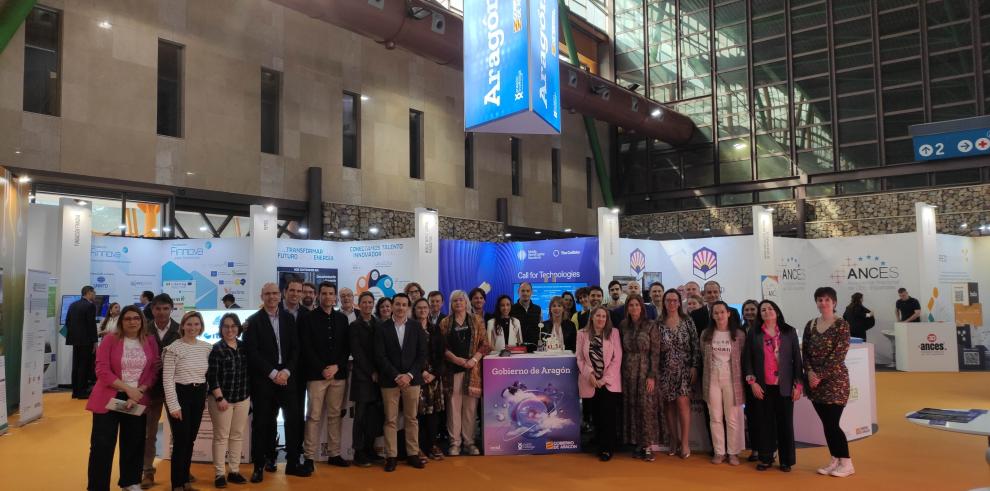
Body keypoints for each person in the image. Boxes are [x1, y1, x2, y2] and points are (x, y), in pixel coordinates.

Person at [86, 305, 160, 491]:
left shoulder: (150, 340)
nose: (132, 322)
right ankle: (97, 486)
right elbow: (102, 370)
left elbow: (153, 371)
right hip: (110, 396)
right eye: (128, 319)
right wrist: (128, 389)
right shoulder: (110, 339)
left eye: (136, 318)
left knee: (134, 441)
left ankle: (130, 481)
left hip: (137, 397)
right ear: (121, 322)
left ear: (142, 320)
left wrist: (139, 391)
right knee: (102, 445)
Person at [244, 282, 308, 482]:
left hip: (288, 378)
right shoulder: (253, 321)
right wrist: (273, 373)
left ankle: (292, 464)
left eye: (274, 293)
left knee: (293, 421)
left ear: (280, 296)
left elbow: (296, 349)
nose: (272, 297)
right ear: (262, 296)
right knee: (263, 424)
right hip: (264, 380)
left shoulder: (289, 319)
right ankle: (260, 465)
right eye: (268, 294)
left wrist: (287, 371)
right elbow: (252, 353)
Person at [743, 300, 803, 472]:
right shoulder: (753, 333)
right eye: (763, 310)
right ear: (760, 314)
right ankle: (766, 457)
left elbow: (797, 362)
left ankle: (786, 460)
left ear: (777, 311)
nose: (767, 311)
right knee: (764, 423)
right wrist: (752, 383)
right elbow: (747, 361)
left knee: (785, 424)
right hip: (762, 387)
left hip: (784, 386)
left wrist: (798, 385)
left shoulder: (788, 332)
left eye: (770, 308)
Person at [300, 281, 351, 472]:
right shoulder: (308, 318)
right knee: (313, 416)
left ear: (335, 296)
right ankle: (309, 457)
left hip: (338, 375)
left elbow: (346, 347)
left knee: (334, 416)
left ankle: (334, 454)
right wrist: (322, 368)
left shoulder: (342, 319)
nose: (328, 297)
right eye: (324, 293)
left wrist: (336, 366)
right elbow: (307, 347)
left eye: (331, 293)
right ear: (318, 296)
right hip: (316, 375)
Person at [374, 293, 428, 472]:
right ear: (392, 306)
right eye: (397, 304)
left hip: (412, 381)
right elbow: (380, 356)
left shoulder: (416, 326)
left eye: (404, 305)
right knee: (390, 420)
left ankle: (413, 454)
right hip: (390, 381)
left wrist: (409, 375)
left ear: (408, 307)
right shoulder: (382, 328)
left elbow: (422, 355)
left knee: (411, 418)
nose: (400, 308)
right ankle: (391, 456)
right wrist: (397, 375)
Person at [804, 287, 854, 477]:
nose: (823, 303)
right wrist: (809, 373)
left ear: (834, 302)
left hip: (835, 382)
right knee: (826, 423)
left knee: (833, 423)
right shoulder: (810, 324)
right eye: (819, 299)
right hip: (814, 382)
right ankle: (835, 460)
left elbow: (838, 355)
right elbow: (805, 353)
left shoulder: (842, 325)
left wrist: (820, 375)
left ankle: (847, 463)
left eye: (827, 299)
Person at [162, 311, 213, 491]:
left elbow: (207, 375)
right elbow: (167, 379)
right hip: (179, 395)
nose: (193, 328)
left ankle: (185, 480)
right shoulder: (173, 348)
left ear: (201, 327)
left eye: (196, 324)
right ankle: (176, 484)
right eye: (189, 324)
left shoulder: (206, 348)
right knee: (181, 441)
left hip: (198, 395)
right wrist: (173, 405)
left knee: (190, 440)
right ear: (182, 326)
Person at [441, 290, 490, 456]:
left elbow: (485, 344)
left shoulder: (477, 320)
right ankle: (455, 443)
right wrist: (456, 360)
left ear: (466, 302)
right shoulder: (445, 323)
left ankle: (469, 443)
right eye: (455, 301)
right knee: (453, 408)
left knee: (470, 409)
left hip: (472, 371)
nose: (458, 303)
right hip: (452, 371)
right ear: (451, 304)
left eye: (461, 300)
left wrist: (473, 360)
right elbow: (442, 347)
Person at [206, 313, 250, 488]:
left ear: (238, 328)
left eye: (233, 326)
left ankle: (234, 471)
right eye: (226, 326)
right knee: (221, 437)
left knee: (237, 436)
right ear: (221, 328)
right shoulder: (216, 349)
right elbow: (212, 376)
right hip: (221, 400)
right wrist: (219, 397)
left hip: (242, 398)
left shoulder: (244, 347)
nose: (230, 329)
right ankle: (219, 474)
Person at [141, 293, 180, 489]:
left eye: (166, 308)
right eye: (158, 308)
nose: (162, 312)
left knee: (179, 433)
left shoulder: (181, 329)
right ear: (152, 309)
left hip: (175, 389)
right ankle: (147, 471)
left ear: (171, 308)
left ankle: (182, 471)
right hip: (151, 389)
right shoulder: (143, 329)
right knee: (149, 433)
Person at [701, 302, 746, 466]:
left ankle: (733, 453)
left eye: (722, 312)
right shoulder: (706, 334)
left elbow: (743, 358)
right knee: (715, 417)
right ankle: (719, 452)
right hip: (712, 378)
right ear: (712, 315)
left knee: (732, 418)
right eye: (716, 313)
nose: (719, 315)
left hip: (732, 380)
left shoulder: (739, 335)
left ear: (728, 313)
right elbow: (703, 356)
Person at [576, 306, 622, 461]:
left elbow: (617, 358)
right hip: (590, 382)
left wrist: (604, 378)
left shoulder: (613, 333)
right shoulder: (581, 334)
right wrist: (589, 374)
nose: (601, 319)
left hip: (609, 382)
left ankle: (607, 449)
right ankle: (600, 444)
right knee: (596, 416)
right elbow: (580, 358)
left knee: (608, 416)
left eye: (604, 316)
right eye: (598, 316)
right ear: (592, 317)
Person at [658, 289, 700, 459]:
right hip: (665, 369)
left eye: (675, 300)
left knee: (683, 404)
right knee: (669, 406)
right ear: (664, 302)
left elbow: (695, 345)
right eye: (668, 300)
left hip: (684, 369)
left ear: (679, 302)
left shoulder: (687, 320)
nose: (672, 304)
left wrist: (694, 366)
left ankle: (684, 442)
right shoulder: (658, 322)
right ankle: (673, 440)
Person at [618, 294, 660, 462]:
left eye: (636, 305)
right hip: (627, 372)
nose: (634, 308)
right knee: (632, 407)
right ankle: (637, 444)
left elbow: (656, 353)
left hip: (645, 372)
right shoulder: (623, 326)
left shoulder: (651, 325)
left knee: (646, 408)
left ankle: (648, 445)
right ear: (627, 308)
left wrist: (652, 375)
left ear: (642, 307)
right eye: (631, 305)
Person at [350, 291, 384, 467]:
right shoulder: (354, 326)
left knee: (374, 416)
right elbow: (357, 353)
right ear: (359, 304)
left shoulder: (378, 323)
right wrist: (371, 371)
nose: (367, 305)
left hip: (378, 378)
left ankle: (370, 450)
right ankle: (359, 452)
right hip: (363, 377)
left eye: (370, 302)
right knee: (360, 417)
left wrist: (380, 372)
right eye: (364, 302)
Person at [412, 297, 445, 463]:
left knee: (433, 415)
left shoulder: (435, 329)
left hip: (433, 379)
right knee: (417, 414)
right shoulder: (410, 329)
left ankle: (432, 445)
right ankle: (417, 448)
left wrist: (434, 374)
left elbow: (441, 355)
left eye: (425, 307)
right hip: (416, 378)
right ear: (415, 310)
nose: (423, 310)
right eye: (419, 308)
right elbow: (408, 356)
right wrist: (422, 372)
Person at [66, 285, 99, 399]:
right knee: (84, 366)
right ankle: (82, 391)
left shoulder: (72, 305)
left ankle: (75, 391)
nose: (95, 295)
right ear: (89, 292)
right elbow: (91, 325)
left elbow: (67, 323)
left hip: (75, 340)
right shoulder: (90, 306)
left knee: (76, 365)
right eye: (94, 292)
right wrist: (95, 341)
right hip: (86, 341)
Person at [739, 298, 761, 461]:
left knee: (765, 414)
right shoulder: (739, 330)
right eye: (746, 310)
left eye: (752, 309)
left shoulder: (764, 329)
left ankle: (769, 447)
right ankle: (755, 448)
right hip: (743, 377)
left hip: (762, 378)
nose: (749, 312)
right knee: (751, 414)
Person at [511, 282, 542, 348]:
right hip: (517, 348)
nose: (525, 293)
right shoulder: (511, 309)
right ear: (518, 292)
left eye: (528, 291)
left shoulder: (538, 309)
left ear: (531, 292)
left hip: (535, 348)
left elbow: (540, 329)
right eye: (523, 291)